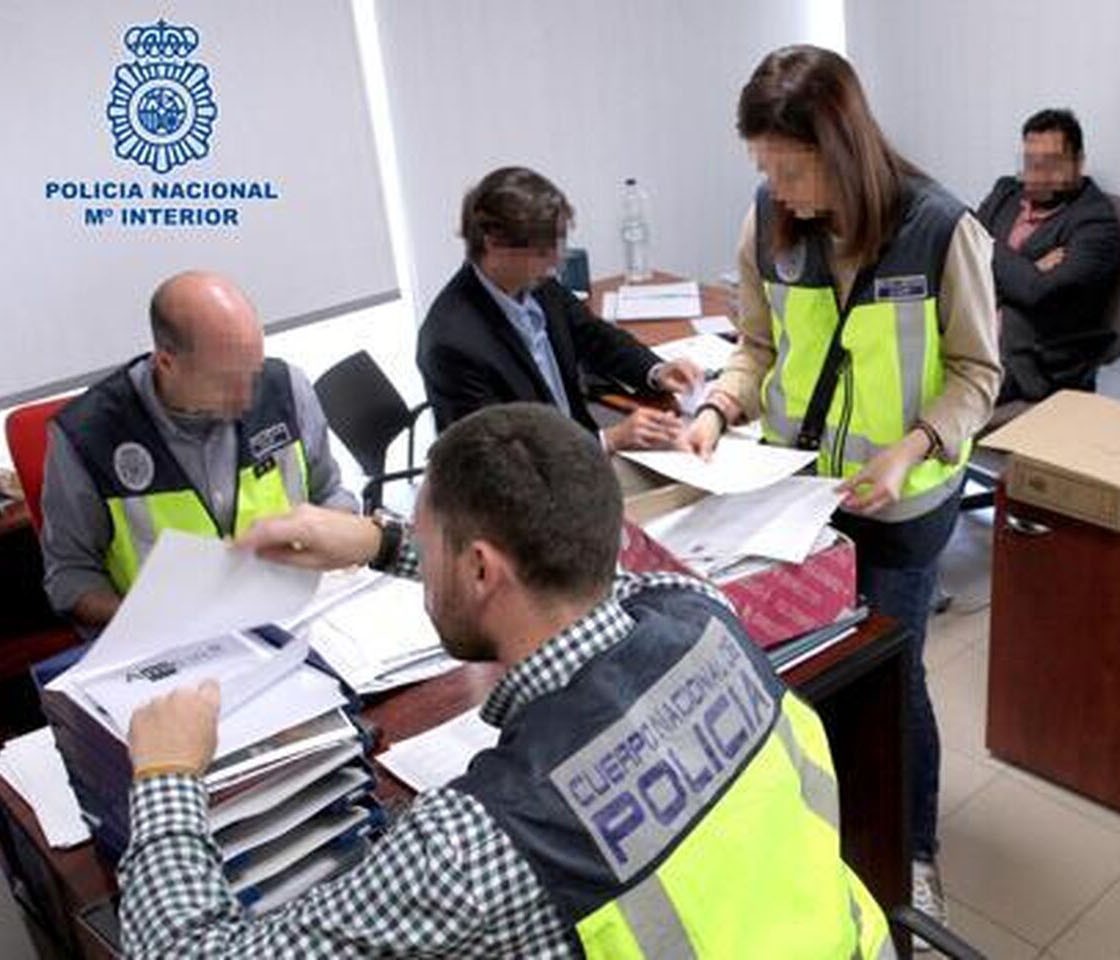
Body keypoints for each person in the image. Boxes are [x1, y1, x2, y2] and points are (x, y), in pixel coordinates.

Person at [119, 403, 895, 958]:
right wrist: (378, 541)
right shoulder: (699, 613)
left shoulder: (474, 844)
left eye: (431, 545)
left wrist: (164, 775)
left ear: (482, 568)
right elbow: (583, 572)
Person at [677, 44, 1001, 927]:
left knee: (892, 680)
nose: (776, 189)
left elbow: (978, 373)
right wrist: (717, 407)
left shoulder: (941, 230)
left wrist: (912, 446)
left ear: (841, 146)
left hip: (903, 506)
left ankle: (913, 854)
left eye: (789, 168)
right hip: (792, 503)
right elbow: (755, 347)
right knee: (791, 672)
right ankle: (821, 833)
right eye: (763, 168)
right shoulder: (767, 224)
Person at [40, 271, 355, 632]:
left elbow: (330, 492)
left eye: (251, 371)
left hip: (295, 616)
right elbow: (71, 575)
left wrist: (340, 539)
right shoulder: (87, 437)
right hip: (173, 644)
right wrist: (145, 621)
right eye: (225, 381)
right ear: (166, 363)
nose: (246, 397)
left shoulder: (285, 389)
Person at [416, 166, 703, 451]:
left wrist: (656, 370)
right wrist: (609, 440)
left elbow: (595, 336)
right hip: (537, 486)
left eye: (558, 244)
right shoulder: (451, 345)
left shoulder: (536, 285)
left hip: (582, 456)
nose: (556, 261)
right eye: (542, 251)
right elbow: (493, 461)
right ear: (494, 244)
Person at [976, 108, 1120, 399]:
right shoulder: (1006, 192)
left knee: (936, 398)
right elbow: (964, 253)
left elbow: (1038, 293)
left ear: (1078, 163)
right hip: (973, 339)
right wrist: (1028, 268)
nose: (1037, 174)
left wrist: (987, 254)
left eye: (1051, 164)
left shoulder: (1096, 226)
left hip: (1028, 363)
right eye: (1031, 162)